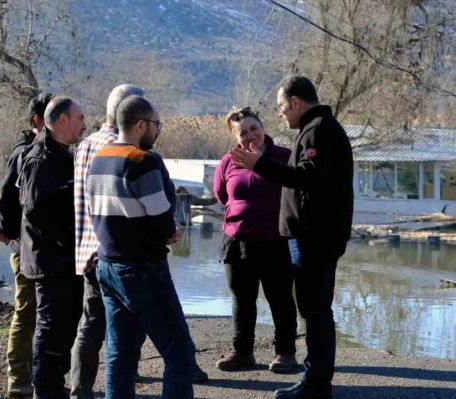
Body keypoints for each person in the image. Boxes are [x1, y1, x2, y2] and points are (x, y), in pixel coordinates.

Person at [71, 85, 208, 399]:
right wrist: (170, 231)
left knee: (120, 354)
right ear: (140, 125)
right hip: (143, 268)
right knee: (178, 354)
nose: (158, 132)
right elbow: (162, 217)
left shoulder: (99, 158)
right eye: (157, 125)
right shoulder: (140, 160)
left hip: (107, 266)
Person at [229, 75, 354, 399]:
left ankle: (316, 384)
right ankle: (315, 381)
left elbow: (305, 179)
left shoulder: (318, 131)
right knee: (314, 309)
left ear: (296, 102)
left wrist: (261, 165)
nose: (281, 113)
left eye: (282, 106)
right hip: (314, 236)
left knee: (315, 311)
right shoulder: (318, 128)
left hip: (315, 237)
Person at [213, 107, 298, 373]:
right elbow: (221, 196)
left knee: (280, 299)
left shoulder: (284, 157)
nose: (250, 136)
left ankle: (285, 353)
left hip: (276, 241)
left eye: (254, 129)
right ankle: (242, 354)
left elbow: (296, 191)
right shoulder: (228, 161)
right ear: (236, 137)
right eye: (243, 132)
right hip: (238, 241)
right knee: (242, 300)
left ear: (263, 128)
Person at [17, 96, 87, 399]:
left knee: (66, 325)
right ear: (62, 121)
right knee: (50, 328)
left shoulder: (61, 154)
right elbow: (35, 209)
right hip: (50, 259)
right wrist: (65, 238)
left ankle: (53, 384)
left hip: (64, 259)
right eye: (80, 118)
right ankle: (45, 391)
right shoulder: (40, 158)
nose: (84, 124)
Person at [0, 92, 54, 398]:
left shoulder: (49, 150)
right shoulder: (25, 152)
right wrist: (7, 231)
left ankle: (34, 375)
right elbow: (5, 196)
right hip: (26, 248)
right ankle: (18, 380)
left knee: (40, 313)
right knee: (26, 312)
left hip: (41, 249)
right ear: (38, 121)